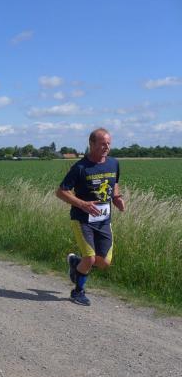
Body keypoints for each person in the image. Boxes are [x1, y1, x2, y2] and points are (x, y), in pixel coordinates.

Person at [56, 128, 125, 306]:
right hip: (82, 220)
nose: (106, 147)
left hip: (104, 221)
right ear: (92, 144)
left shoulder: (113, 163)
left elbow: (114, 183)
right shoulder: (80, 168)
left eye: (108, 143)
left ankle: (76, 264)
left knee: (104, 262)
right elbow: (61, 192)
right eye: (102, 144)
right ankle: (77, 292)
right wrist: (83, 204)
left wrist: (116, 198)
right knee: (90, 258)